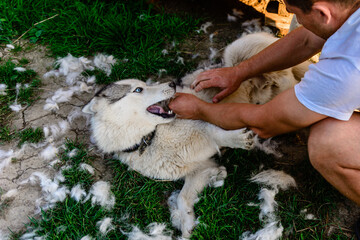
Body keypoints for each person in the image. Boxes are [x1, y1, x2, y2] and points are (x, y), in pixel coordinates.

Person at [169, 0, 360, 209]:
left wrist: (200, 109)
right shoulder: (346, 11)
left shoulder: (346, 70)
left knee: (328, 145)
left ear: (322, 13)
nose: (287, 12)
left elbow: (265, 122)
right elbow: (307, 39)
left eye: (293, 11)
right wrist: (239, 72)